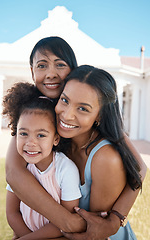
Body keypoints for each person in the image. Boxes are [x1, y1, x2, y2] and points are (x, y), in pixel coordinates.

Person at [5, 36, 147, 239]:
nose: (51, 74)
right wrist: (66, 222)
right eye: (42, 65)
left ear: (72, 71)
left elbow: (140, 168)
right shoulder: (38, 115)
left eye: (60, 65)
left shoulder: (102, 149)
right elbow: (13, 173)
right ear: (32, 71)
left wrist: (114, 220)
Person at [55, 65, 142, 239]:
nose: (67, 115)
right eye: (65, 100)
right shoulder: (56, 140)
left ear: (100, 116)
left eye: (83, 109)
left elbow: (93, 231)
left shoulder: (105, 158)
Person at [3, 82, 81, 239]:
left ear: (56, 139)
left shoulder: (66, 170)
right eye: (23, 133)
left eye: (41, 135)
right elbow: (12, 212)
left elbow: (64, 223)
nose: (30, 143)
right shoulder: (21, 169)